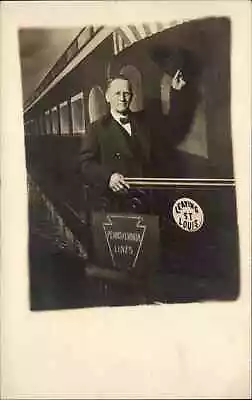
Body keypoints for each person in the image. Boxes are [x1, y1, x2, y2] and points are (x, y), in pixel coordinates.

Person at [79, 75, 152, 195]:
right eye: (117, 93)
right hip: (116, 200)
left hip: (147, 196)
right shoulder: (96, 128)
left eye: (126, 93)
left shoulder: (144, 123)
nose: (122, 98)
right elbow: (86, 165)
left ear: (132, 96)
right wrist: (109, 177)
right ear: (108, 97)